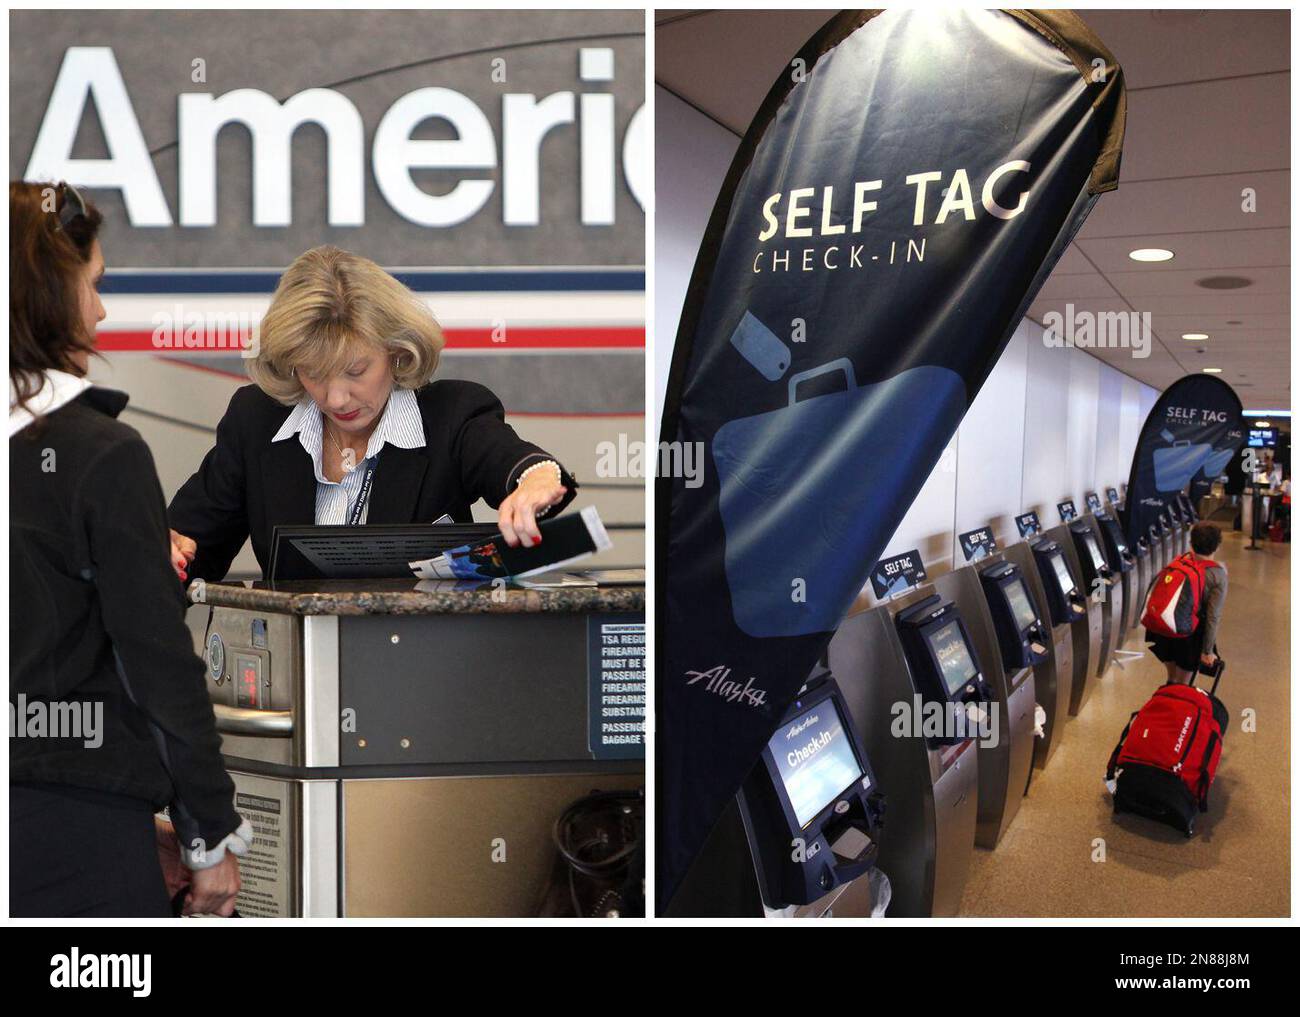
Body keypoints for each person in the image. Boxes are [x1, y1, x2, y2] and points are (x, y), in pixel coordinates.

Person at [9, 180, 249, 916]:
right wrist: (209, 832)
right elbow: (155, 662)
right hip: (69, 822)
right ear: (52, 293)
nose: (102, 310)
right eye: (94, 284)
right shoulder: (99, 453)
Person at [167, 245, 578, 582]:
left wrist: (537, 478)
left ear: (396, 351)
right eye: (313, 373)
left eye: (355, 371)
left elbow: (514, 463)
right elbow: (190, 548)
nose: (336, 397)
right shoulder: (256, 421)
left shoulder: (451, 415)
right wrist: (170, 554)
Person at [1145, 521, 1228, 686]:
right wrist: (1207, 651)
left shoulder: (1180, 561)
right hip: (1189, 633)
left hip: (1164, 627)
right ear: (1217, 547)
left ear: (1191, 543)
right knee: (1183, 685)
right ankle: (1176, 702)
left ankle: (1169, 687)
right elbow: (1213, 616)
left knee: (1172, 678)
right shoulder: (1218, 575)